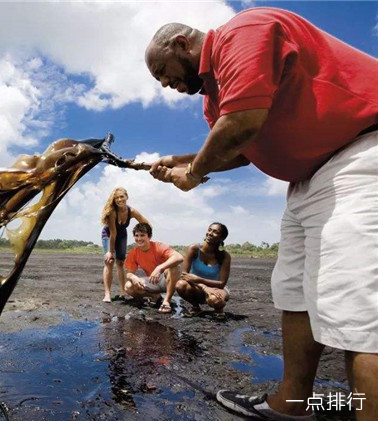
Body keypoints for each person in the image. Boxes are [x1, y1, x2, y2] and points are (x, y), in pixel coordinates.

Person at [144, 7, 377, 421]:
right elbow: (238, 151)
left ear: (182, 44)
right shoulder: (213, 99)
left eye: (164, 71)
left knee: (359, 311)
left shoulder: (242, 32)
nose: (166, 84)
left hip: (359, 157)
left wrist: (193, 174)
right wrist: (178, 159)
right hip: (307, 182)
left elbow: (242, 125)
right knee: (294, 292)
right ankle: (293, 404)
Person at [100, 187, 149, 302]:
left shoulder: (131, 211)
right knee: (109, 261)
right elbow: (113, 233)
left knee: (121, 263)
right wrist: (110, 252)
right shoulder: (112, 212)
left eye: (121, 196)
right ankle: (107, 294)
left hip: (122, 235)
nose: (119, 199)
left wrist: (145, 236)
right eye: (116, 198)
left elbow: (146, 223)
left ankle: (123, 292)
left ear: (127, 197)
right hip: (109, 235)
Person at [123, 222, 183, 313]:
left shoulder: (158, 246)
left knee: (175, 266)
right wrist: (133, 277)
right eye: (136, 235)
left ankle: (167, 300)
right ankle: (155, 296)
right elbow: (128, 273)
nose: (139, 238)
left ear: (149, 236)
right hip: (153, 281)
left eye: (142, 235)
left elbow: (179, 257)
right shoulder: (133, 253)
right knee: (128, 286)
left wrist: (160, 268)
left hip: (167, 279)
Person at [175, 222, 231, 320]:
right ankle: (196, 307)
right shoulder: (194, 249)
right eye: (209, 230)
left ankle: (218, 309)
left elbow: (222, 283)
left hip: (217, 288)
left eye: (215, 232)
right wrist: (204, 287)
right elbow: (184, 275)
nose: (210, 233)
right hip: (196, 287)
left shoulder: (224, 256)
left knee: (216, 301)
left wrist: (200, 279)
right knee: (180, 285)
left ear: (222, 238)